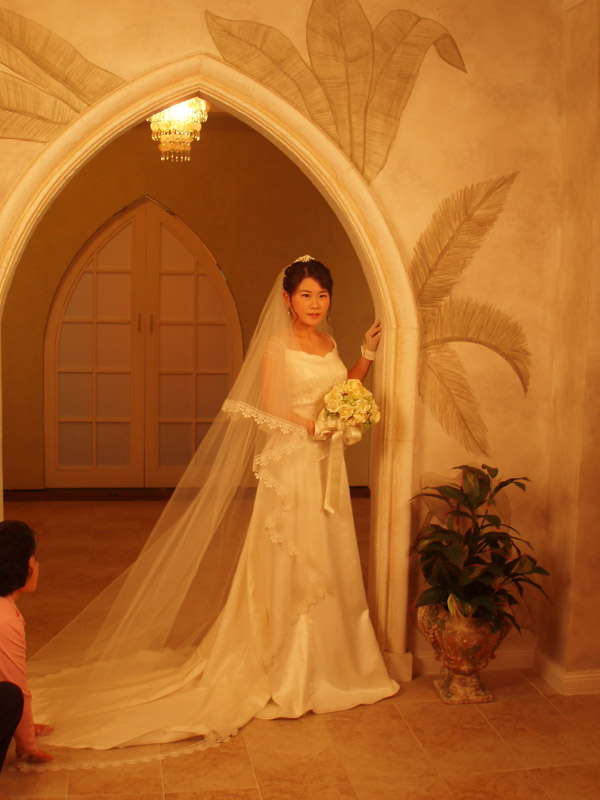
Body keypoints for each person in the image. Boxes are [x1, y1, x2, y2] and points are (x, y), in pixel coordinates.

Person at [28, 257, 397, 761]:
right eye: (306, 295)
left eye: (322, 295)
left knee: (330, 557)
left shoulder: (330, 344)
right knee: (294, 558)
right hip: (292, 467)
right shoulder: (275, 346)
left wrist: (366, 356)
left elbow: (344, 391)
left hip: (324, 468)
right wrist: (318, 428)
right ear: (287, 299)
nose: (315, 304)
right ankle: (289, 667)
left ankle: (334, 665)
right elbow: (273, 405)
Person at [0, 521, 53, 766]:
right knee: (11, 697)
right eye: (33, 560)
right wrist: (28, 745)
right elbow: (16, 685)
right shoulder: (5, 621)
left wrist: (24, 725)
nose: (37, 565)